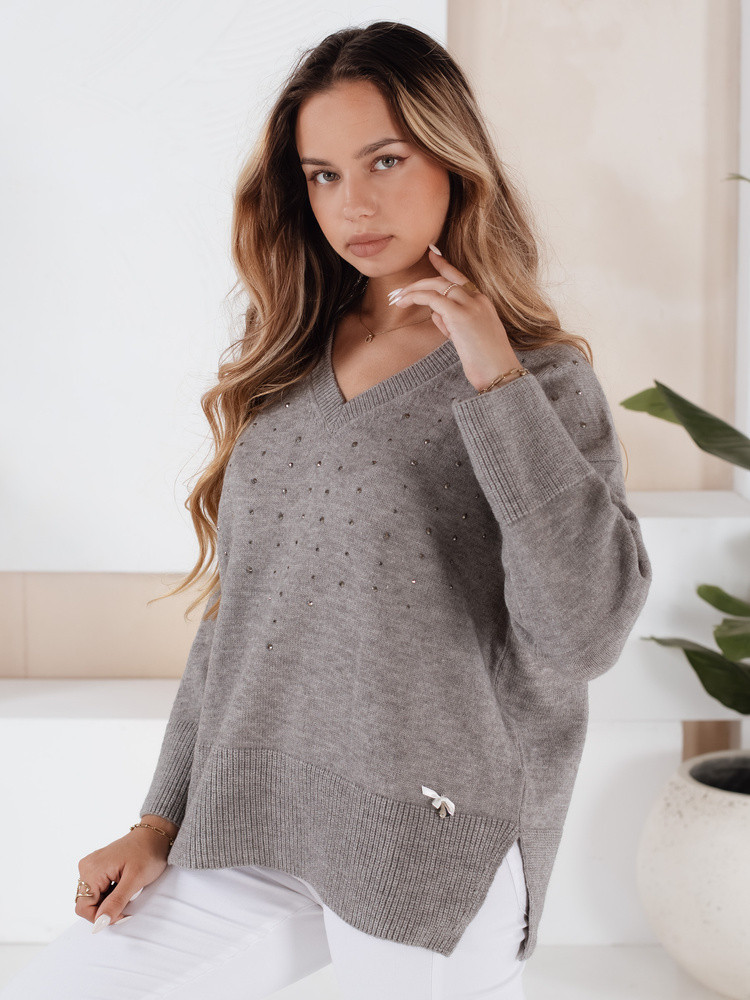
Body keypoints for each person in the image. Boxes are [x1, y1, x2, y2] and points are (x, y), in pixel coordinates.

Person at [1, 20, 652, 1000]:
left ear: (453, 158)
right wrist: (157, 820)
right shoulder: (290, 365)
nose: (355, 203)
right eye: (323, 175)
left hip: (430, 840)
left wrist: (492, 376)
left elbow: (583, 634)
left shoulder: (542, 383)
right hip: (260, 820)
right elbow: (239, 621)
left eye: (385, 160)